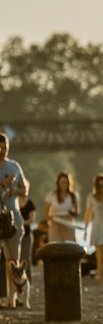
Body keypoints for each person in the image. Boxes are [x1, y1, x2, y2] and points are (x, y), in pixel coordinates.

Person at [0, 131, 29, 309]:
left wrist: (13, 191)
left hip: (12, 218)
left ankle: (13, 298)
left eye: (5, 148)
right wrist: (2, 185)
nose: (2, 151)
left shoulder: (14, 166)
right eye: (0, 147)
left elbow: (24, 190)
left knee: (13, 259)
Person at [44, 172, 79, 243]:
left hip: (68, 223)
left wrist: (68, 216)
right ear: (58, 183)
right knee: (55, 245)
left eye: (66, 182)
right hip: (55, 223)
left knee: (70, 245)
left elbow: (76, 212)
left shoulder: (73, 195)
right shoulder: (52, 195)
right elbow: (46, 211)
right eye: (62, 182)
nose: (64, 184)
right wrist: (53, 219)